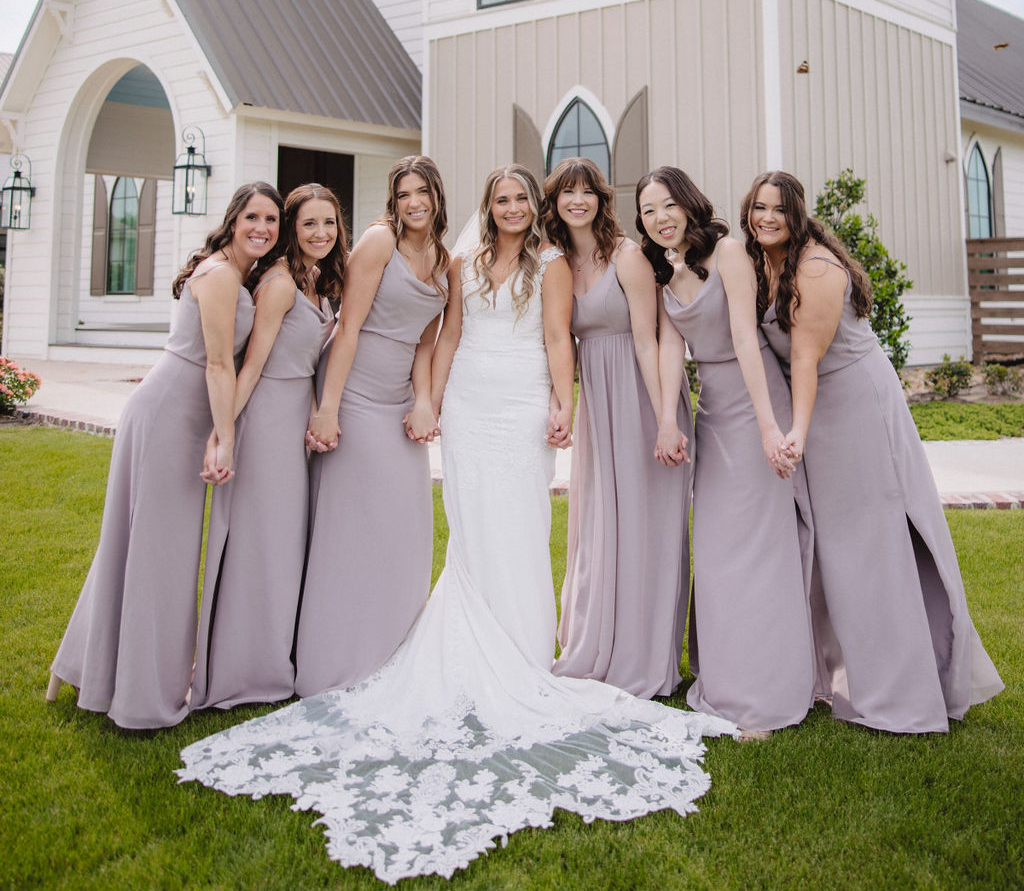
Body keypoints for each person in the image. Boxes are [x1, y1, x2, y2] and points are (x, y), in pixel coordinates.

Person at [178, 165, 733, 881]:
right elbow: (443, 337)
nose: (510, 208)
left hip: (523, 400)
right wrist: (431, 401)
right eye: (500, 198)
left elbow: (559, 339)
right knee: (471, 528)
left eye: (519, 199)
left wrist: (561, 404)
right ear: (485, 206)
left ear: (531, 208)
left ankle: (525, 654)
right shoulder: (462, 262)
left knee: (522, 523)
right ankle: (467, 636)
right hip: (469, 402)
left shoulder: (554, 262)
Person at [742, 170, 1003, 734]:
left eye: (778, 210)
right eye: (758, 207)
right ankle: (841, 674)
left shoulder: (815, 269)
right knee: (834, 550)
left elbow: (806, 359)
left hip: (855, 408)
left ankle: (902, 691)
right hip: (818, 408)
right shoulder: (763, 260)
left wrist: (797, 434)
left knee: (875, 547)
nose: (766, 218)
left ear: (798, 215)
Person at [46, 183, 283, 729]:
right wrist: (224, 438)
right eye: (253, 216)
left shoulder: (235, 270)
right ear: (233, 219)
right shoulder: (223, 276)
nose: (263, 228)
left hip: (176, 414)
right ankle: (139, 696)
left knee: (137, 548)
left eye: (272, 220)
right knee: (159, 557)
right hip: (168, 419)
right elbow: (218, 366)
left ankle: (84, 667)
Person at [638, 167, 817, 735]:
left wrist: (769, 429)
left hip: (756, 403)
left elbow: (745, 338)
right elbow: (671, 347)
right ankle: (724, 681)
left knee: (760, 553)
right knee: (716, 552)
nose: (659, 218)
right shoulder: (661, 271)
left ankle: (766, 694)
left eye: (667, 205)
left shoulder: (730, 254)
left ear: (689, 205)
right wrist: (667, 419)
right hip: (712, 413)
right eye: (647, 211)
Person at [293, 155, 449, 696]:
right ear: (393, 199)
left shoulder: (441, 256)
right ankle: (337, 658)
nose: (414, 202)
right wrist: (329, 407)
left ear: (436, 194)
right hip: (354, 391)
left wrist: (425, 400)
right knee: (350, 527)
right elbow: (349, 326)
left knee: (407, 524)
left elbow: (428, 340)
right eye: (404, 193)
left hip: (398, 398)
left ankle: (394, 649)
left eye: (422, 191)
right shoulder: (380, 242)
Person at [190, 184, 345, 710]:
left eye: (329, 223)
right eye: (308, 224)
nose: (320, 233)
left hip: (292, 418)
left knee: (281, 546)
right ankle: (242, 668)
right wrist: (223, 434)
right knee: (259, 545)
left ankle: (272, 656)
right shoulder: (279, 286)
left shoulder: (320, 284)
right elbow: (249, 365)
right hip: (265, 421)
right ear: (291, 232)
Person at [542, 156, 690, 697]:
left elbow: (651, 338)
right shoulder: (555, 262)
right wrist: (563, 404)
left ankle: (646, 657)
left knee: (647, 526)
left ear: (601, 200)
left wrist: (667, 420)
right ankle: (597, 643)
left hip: (643, 395)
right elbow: (559, 342)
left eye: (586, 192)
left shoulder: (625, 256)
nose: (577, 201)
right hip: (598, 404)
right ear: (555, 202)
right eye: (566, 193)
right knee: (602, 523)